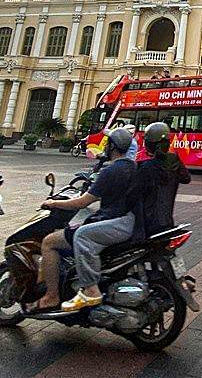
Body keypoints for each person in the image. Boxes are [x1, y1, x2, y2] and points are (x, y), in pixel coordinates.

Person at [33, 127, 140, 312]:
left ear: (112, 147)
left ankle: (53, 296)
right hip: (124, 220)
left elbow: (82, 203)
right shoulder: (134, 167)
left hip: (114, 222)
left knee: (50, 242)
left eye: (107, 143)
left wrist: (53, 203)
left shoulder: (111, 171)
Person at [134, 121, 190, 239]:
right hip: (167, 222)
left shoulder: (145, 167)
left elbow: (132, 194)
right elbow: (186, 178)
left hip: (145, 226)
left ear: (148, 144)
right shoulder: (173, 160)